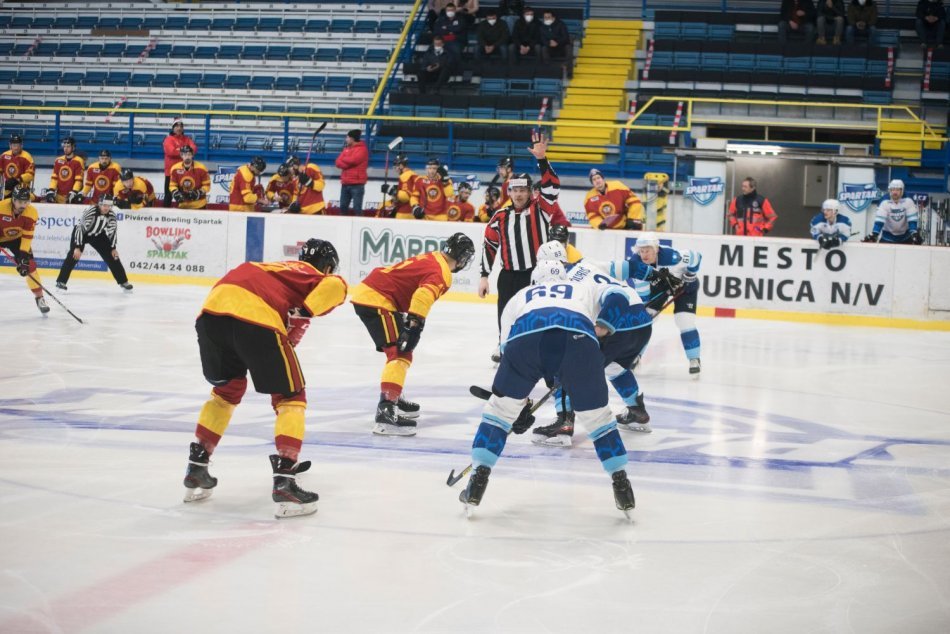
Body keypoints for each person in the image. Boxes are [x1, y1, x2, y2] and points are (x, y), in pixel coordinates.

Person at [181, 239, 347, 518]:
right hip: (255, 316)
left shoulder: (275, 268)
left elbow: (287, 331)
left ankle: (196, 467)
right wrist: (306, 310)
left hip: (210, 315)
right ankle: (285, 479)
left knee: (226, 391)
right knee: (291, 397)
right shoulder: (314, 275)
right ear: (327, 266)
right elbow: (337, 286)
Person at [458, 262, 637, 518]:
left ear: (534, 281)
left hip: (527, 339)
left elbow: (508, 350)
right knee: (599, 420)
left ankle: (477, 481)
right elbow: (619, 296)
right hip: (578, 341)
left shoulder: (520, 296)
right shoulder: (580, 288)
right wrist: (605, 324)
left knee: (499, 413)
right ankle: (621, 483)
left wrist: (516, 405)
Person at [529, 240, 654, 446]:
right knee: (615, 366)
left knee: (563, 366)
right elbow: (624, 272)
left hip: (618, 326)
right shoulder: (585, 265)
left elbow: (617, 296)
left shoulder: (567, 284)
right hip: (641, 325)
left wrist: (603, 325)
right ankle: (636, 411)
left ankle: (564, 421)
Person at [351, 233, 475, 436]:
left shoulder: (433, 257)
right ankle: (387, 411)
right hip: (378, 298)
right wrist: (414, 325)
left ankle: (394, 395)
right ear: (462, 258)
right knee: (399, 353)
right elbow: (423, 294)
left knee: (400, 352)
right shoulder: (443, 272)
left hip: (377, 294)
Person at [479, 132, 570, 362]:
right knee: (506, 315)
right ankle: (504, 346)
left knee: (536, 313)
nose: (518, 194)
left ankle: (539, 349)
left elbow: (552, 186)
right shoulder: (500, 216)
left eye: (522, 190)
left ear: (530, 191)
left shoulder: (542, 209)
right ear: (509, 192)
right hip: (508, 275)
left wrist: (542, 159)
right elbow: (490, 244)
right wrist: (483, 276)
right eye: (514, 190)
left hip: (535, 273)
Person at [624, 232, 703, 375]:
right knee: (645, 319)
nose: (644, 254)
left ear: (656, 249)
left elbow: (696, 257)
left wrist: (690, 275)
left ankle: (694, 359)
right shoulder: (636, 265)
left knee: (684, 320)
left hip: (683, 287)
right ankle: (635, 355)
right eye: (641, 251)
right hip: (659, 290)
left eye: (647, 250)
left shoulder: (672, 256)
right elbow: (644, 297)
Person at [54, 193, 133, 292]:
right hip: (82, 234)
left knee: (113, 256)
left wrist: (113, 248)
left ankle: (123, 282)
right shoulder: (91, 211)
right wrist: (77, 247)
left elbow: (112, 232)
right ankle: (60, 282)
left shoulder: (112, 215)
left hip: (98, 235)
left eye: (109, 205)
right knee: (73, 256)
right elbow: (80, 228)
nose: (106, 208)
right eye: (104, 205)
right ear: (99, 204)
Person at [0, 186, 48, 314]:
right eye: (20, 202)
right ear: (13, 200)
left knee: (30, 265)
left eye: (26, 202)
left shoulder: (31, 213)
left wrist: (22, 255)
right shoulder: (1, 207)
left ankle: (40, 298)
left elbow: (27, 236)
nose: (23, 205)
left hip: (17, 239)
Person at [864, 179, 923, 244]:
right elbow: (879, 222)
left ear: (902, 190)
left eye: (897, 190)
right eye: (893, 189)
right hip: (887, 238)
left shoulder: (908, 200)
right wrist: (875, 234)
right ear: (889, 190)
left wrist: (914, 233)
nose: (895, 192)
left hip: (906, 237)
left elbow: (912, 220)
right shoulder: (884, 201)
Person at [163, 119, 197, 206]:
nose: (179, 128)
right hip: (170, 173)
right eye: (177, 126)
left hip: (184, 172)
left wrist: (178, 150)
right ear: (173, 128)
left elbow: (194, 149)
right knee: (168, 195)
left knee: (184, 195)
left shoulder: (187, 139)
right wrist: (185, 151)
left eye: (181, 126)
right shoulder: (168, 139)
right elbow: (170, 152)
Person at [335, 129, 368, 216]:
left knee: (357, 208)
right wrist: (346, 162)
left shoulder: (362, 149)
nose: (346, 139)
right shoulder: (346, 149)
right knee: (342, 207)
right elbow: (337, 162)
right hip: (345, 183)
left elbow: (353, 160)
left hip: (357, 184)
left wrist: (344, 159)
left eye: (347, 137)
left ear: (352, 138)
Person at [169, 145, 211, 210]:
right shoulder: (175, 168)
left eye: (189, 154)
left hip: (199, 205)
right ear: (181, 155)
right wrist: (175, 192)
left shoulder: (202, 168)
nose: (187, 157)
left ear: (192, 155)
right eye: (185, 155)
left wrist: (199, 192)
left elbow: (207, 186)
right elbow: (172, 185)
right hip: (183, 205)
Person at [44, 137, 85, 204]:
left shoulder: (79, 161)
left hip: (73, 197)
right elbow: (54, 178)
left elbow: (79, 180)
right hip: (59, 196)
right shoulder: (58, 160)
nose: (65, 148)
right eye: (64, 146)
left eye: (68, 146)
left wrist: (74, 192)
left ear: (73, 148)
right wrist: (51, 190)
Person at [385, 153, 419, 220]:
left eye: (396, 166)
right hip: (413, 212)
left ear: (401, 165)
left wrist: (392, 191)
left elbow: (406, 196)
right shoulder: (413, 174)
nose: (395, 168)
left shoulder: (405, 176)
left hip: (405, 212)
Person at [1, 134, 35, 199]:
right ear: (10, 145)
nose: (16, 148)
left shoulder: (27, 157)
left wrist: (18, 179)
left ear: (21, 145)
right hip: (7, 188)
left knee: (29, 197)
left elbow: (31, 175)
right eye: (14, 145)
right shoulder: (4, 156)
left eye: (18, 145)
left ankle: (37, 198)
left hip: (22, 186)